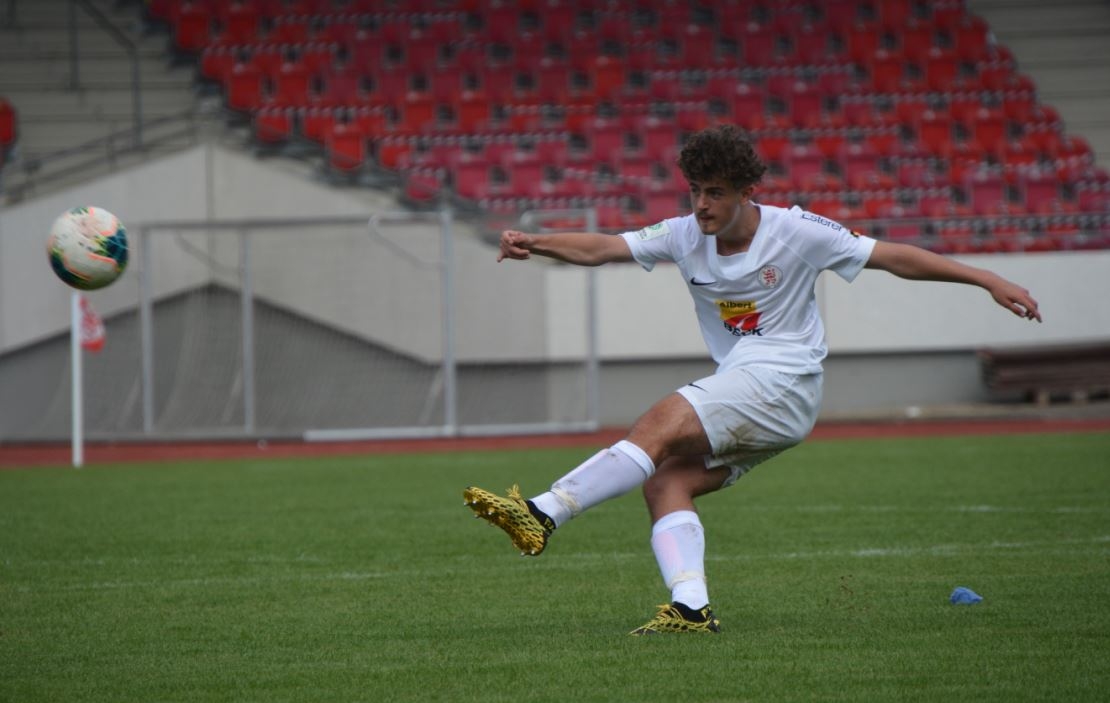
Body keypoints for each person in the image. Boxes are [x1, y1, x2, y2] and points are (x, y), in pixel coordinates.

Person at [463, 124, 1042, 636]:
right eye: (696, 190)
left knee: (659, 423)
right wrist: (538, 243)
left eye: (715, 192)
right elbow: (606, 247)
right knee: (666, 483)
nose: (702, 204)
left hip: (783, 379)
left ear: (747, 192)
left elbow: (893, 257)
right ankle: (691, 609)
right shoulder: (685, 233)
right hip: (759, 395)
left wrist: (986, 278)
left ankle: (543, 512)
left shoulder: (797, 230)